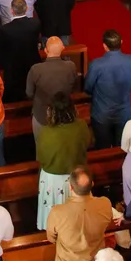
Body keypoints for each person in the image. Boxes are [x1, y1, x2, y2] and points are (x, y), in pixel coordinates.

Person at [47, 165, 113, 261]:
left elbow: (51, 238)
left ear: (70, 187)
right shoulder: (105, 204)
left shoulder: (57, 212)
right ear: (92, 184)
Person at [36, 92, 90, 229]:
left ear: (51, 112)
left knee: (55, 221)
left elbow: (42, 158)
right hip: (77, 178)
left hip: (53, 182)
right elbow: (87, 145)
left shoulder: (46, 132)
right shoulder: (82, 126)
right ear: (72, 109)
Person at [84, 30, 131, 149]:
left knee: (103, 147)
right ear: (121, 42)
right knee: (121, 147)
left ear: (104, 46)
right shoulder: (130, 60)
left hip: (102, 114)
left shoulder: (97, 65)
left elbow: (87, 87)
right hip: (124, 113)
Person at [26, 36, 77, 144]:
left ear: (45, 50)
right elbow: (73, 86)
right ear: (63, 48)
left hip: (42, 117)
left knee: (41, 149)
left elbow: (29, 93)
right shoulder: (71, 66)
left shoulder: (36, 69)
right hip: (65, 116)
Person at [0, 0, 41, 103]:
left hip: (13, 68)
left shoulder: (5, 29)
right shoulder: (35, 24)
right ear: (26, 9)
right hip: (32, 63)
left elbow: (1, 50)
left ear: (11, 10)